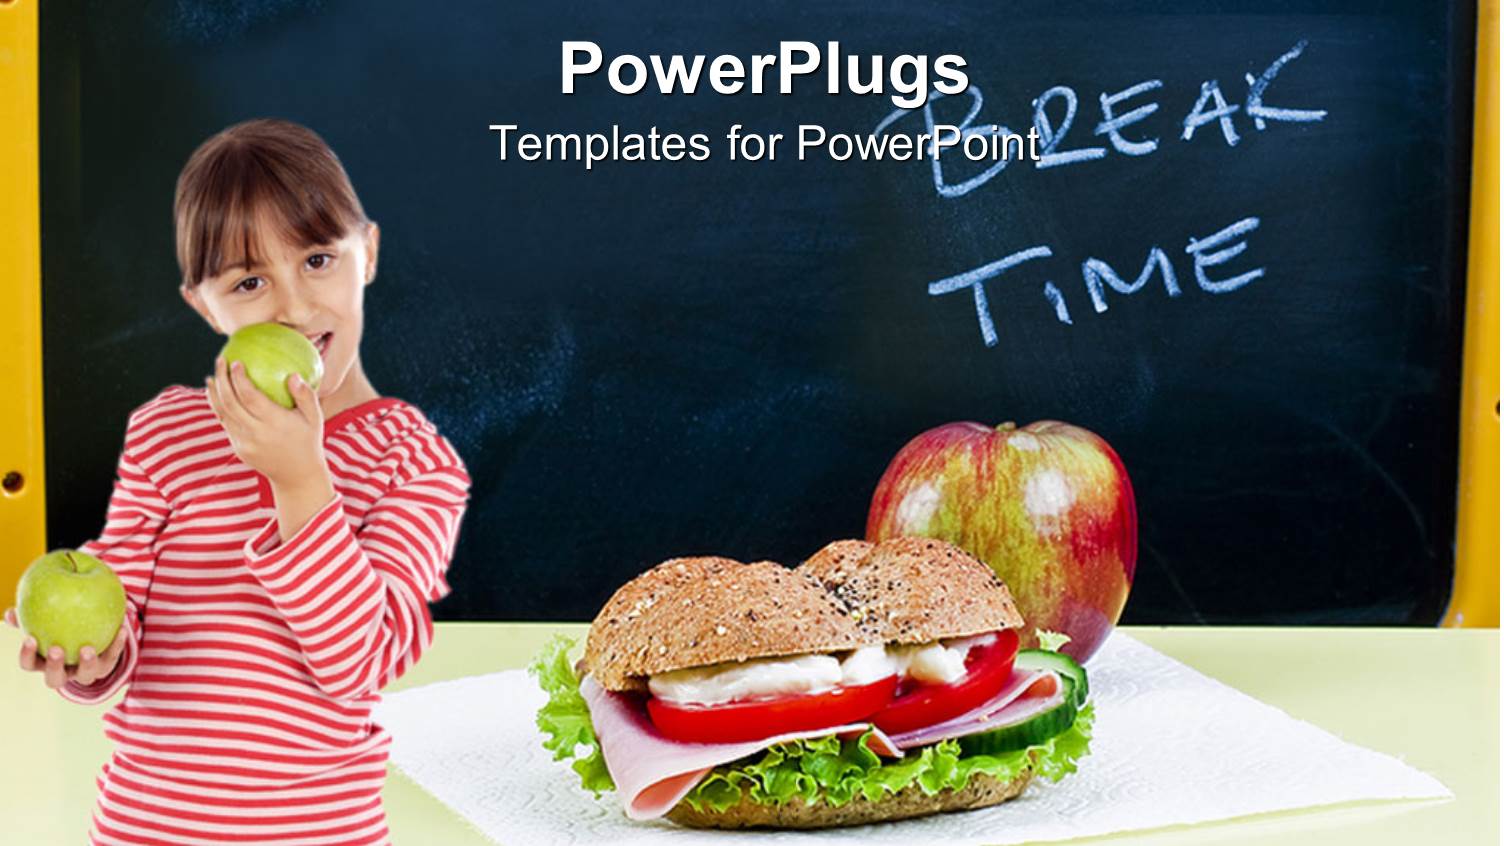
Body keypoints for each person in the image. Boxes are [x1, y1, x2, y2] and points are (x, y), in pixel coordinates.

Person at [4, 118, 470, 844]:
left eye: (318, 259)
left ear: (368, 252)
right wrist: (90, 659)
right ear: (203, 304)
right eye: (249, 281)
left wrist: (300, 481)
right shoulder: (166, 432)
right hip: (143, 827)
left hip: (320, 833)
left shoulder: (412, 462)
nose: (291, 306)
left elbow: (360, 662)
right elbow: (118, 605)